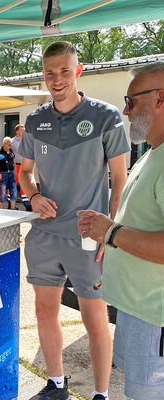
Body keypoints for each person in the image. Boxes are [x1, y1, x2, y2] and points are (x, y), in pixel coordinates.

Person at [18, 41, 130, 400]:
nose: (57, 79)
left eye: (65, 71)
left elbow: (120, 181)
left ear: (78, 71)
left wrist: (110, 233)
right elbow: (26, 173)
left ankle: (101, 394)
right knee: (44, 310)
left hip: (88, 237)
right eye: (50, 73)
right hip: (46, 234)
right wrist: (33, 196)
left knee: (94, 318)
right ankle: (56, 384)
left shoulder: (106, 116)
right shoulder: (36, 120)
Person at [77, 62, 164, 400]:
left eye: (132, 101)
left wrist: (110, 233)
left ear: (160, 98)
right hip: (139, 311)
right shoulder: (151, 155)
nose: (126, 111)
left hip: (154, 319)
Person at [11, 124, 31, 211]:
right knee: (13, 184)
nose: (23, 131)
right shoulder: (12, 141)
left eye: (24, 130)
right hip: (15, 165)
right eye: (21, 130)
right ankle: (11, 204)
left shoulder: (26, 140)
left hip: (25, 165)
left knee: (25, 183)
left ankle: (27, 204)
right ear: (17, 131)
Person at [0, 136, 17, 209]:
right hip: (2, 173)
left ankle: (13, 209)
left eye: (11, 144)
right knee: (2, 192)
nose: (10, 146)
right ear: (4, 143)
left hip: (11, 173)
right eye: (9, 144)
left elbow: (13, 160)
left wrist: (15, 170)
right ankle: (1, 209)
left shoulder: (11, 151)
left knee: (13, 191)